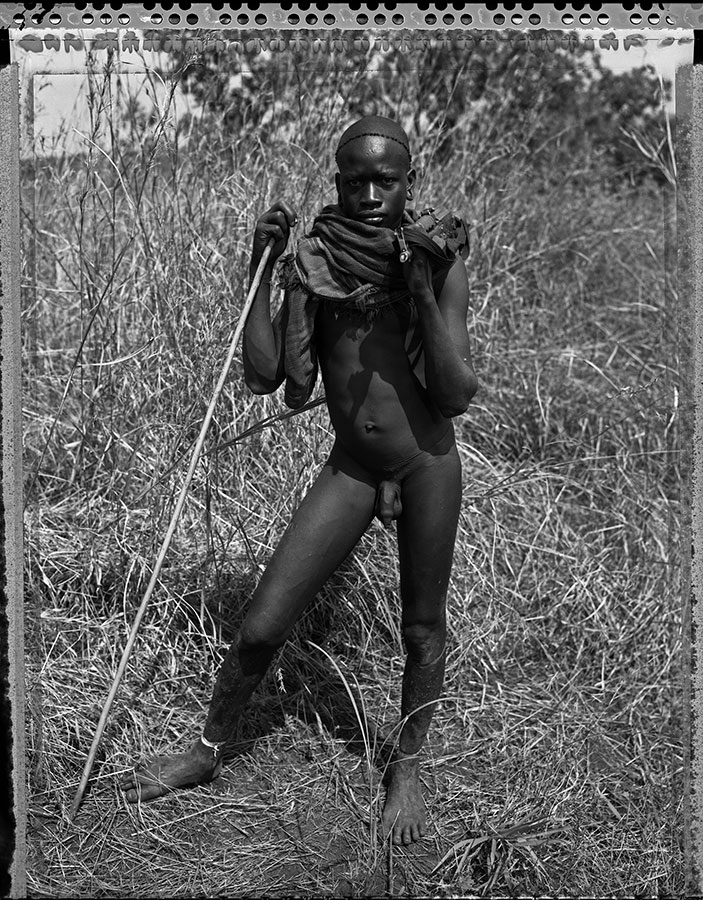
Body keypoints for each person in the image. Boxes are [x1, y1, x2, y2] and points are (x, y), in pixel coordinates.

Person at [121, 115, 478, 846]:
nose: (370, 195)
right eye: (355, 182)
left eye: (386, 181)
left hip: (426, 463)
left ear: (409, 182)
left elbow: (455, 394)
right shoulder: (315, 262)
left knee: (420, 629)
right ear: (337, 182)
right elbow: (266, 376)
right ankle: (208, 750)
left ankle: (406, 770)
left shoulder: (438, 260)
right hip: (352, 468)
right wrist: (261, 268)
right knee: (261, 626)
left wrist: (417, 289)